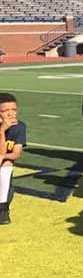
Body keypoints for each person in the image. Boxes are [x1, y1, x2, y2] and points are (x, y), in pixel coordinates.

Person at [0, 93, 26, 225]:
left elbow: (16, 154)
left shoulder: (19, 127)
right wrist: (1, 131)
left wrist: (3, 157)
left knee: (8, 163)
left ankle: (2, 209)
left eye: (14, 110)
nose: (11, 114)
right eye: (5, 111)